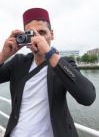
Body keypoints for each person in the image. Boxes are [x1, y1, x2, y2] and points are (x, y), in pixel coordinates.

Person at [0, 8, 96, 137]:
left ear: (52, 34)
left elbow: (87, 97)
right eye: (31, 33)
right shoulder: (18, 62)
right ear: (25, 37)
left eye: (42, 32)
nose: (38, 38)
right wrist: (3, 56)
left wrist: (49, 54)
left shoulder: (64, 63)